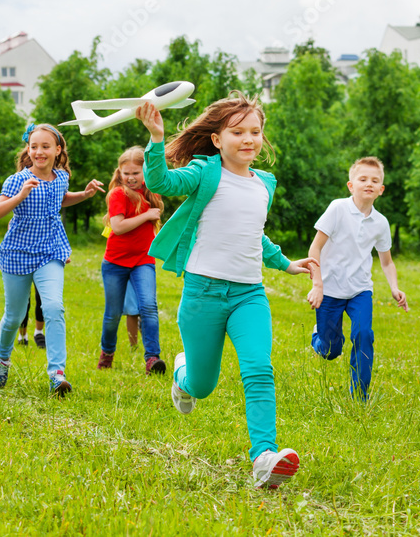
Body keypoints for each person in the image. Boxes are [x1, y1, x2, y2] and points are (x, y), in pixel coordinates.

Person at [135, 93, 316, 489]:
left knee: (259, 368)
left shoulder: (265, 183)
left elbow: (255, 235)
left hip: (249, 294)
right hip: (203, 293)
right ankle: (183, 375)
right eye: (237, 132)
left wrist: (286, 263)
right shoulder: (204, 172)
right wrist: (155, 139)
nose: (248, 139)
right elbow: (160, 181)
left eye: (255, 131)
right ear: (217, 139)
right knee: (203, 384)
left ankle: (264, 457)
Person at [0, 122, 104, 395]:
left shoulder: (61, 177)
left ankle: (57, 373)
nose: (39, 151)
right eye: (34, 146)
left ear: (58, 150)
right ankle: (2, 357)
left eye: (46, 146)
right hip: (17, 254)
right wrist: (21, 195)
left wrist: (83, 195)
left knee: (53, 307)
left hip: (50, 251)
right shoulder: (17, 180)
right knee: (14, 317)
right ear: (28, 149)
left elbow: (59, 199)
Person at [305, 157, 408, 402]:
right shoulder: (337, 209)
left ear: (381, 190)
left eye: (375, 180)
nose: (368, 184)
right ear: (351, 185)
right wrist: (317, 285)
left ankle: (360, 395)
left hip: (360, 290)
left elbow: (387, 261)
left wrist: (394, 287)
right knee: (331, 351)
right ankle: (318, 336)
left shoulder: (381, 223)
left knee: (364, 334)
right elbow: (314, 249)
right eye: (363, 179)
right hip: (330, 289)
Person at [97, 146, 166, 374]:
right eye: (126, 173)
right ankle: (107, 353)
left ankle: (152, 359)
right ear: (120, 172)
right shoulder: (118, 193)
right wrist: (146, 215)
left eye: (136, 173)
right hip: (115, 262)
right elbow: (117, 226)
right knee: (113, 313)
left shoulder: (151, 191)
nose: (130, 177)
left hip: (143, 260)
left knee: (148, 306)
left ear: (144, 172)